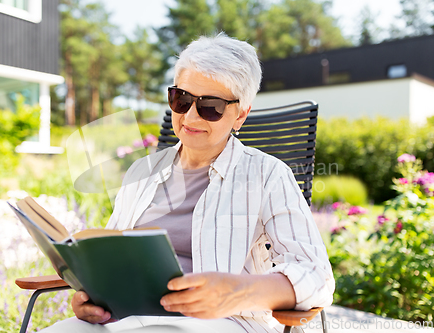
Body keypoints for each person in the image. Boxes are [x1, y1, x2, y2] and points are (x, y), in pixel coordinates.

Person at [41, 33, 334, 333]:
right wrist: (91, 296)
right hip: (127, 319)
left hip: (226, 322)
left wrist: (239, 292)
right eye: (181, 100)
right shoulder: (142, 172)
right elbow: (109, 257)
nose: (190, 116)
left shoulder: (268, 176)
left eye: (211, 106)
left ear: (240, 116)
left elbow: (316, 275)